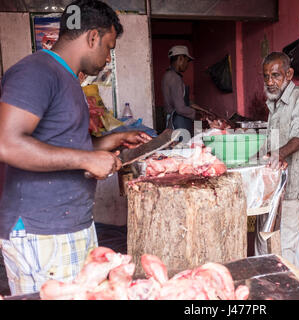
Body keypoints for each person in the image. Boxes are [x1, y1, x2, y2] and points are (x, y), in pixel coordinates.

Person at [0, 0, 152, 295]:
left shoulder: (66, 79)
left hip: (66, 224)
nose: (108, 58)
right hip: (40, 229)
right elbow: (7, 143)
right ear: (92, 37)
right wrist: (87, 160)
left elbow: (61, 143)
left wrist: (113, 140)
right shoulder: (36, 72)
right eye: (108, 47)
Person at [255, 52, 299, 277]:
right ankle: (291, 284)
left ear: (289, 74)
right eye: (266, 77)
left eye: (275, 75)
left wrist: (276, 155)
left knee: (289, 240)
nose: (270, 82)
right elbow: (273, 140)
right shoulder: (274, 103)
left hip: (294, 180)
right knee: (276, 236)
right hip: (277, 181)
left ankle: (295, 288)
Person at [162, 45, 205, 137]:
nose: (187, 64)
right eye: (187, 61)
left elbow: (184, 100)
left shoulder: (168, 75)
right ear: (181, 58)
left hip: (174, 121)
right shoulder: (175, 78)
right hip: (178, 122)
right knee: (183, 149)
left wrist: (204, 110)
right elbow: (180, 108)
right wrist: (198, 116)